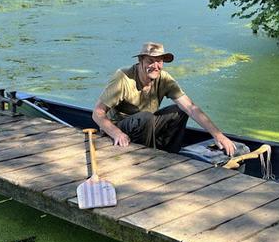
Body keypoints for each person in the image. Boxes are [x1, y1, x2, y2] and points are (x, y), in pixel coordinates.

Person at [92, 42, 236, 156]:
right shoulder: (123, 77)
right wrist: (116, 133)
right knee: (146, 117)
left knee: (179, 111)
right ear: (140, 60)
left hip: (147, 125)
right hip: (120, 128)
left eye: (159, 61)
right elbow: (97, 113)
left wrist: (218, 135)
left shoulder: (164, 78)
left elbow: (191, 108)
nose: (156, 66)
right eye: (151, 61)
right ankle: (145, 157)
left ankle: (169, 155)